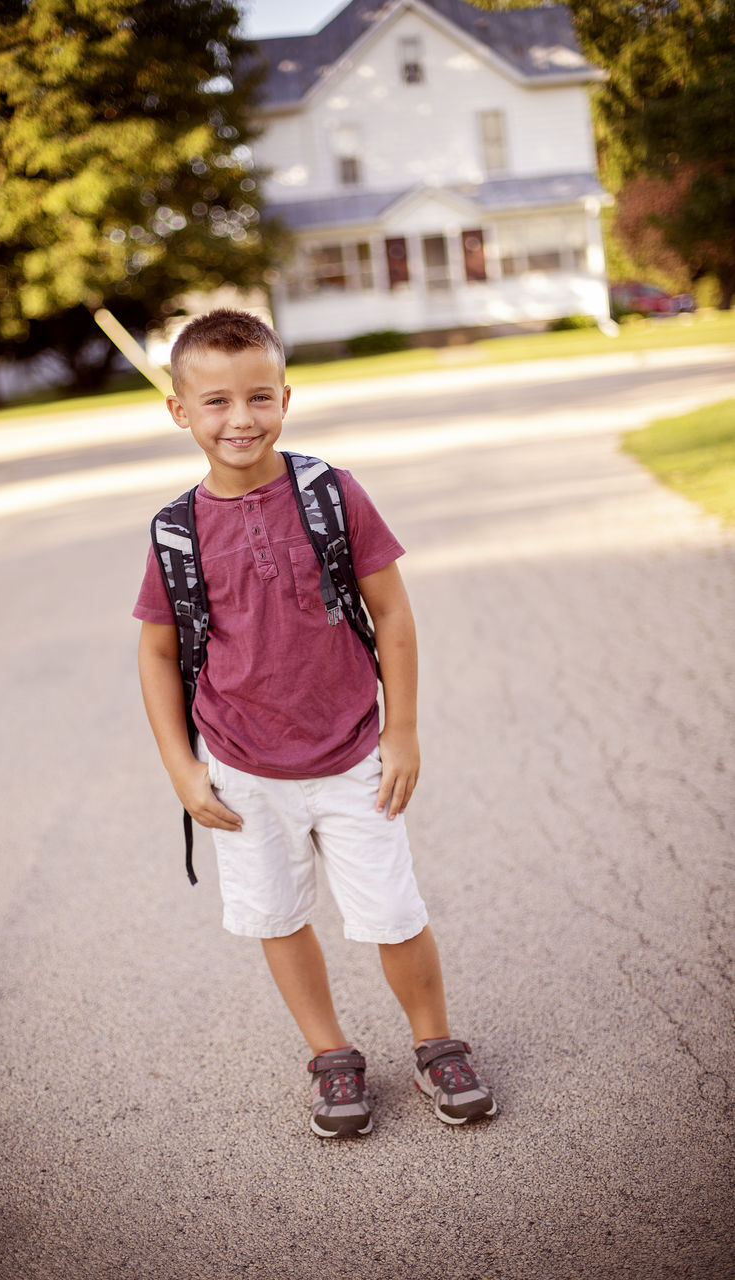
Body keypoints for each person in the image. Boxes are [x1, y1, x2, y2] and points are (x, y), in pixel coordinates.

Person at [133, 309, 496, 1138]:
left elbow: (392, 615)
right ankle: (330, 1056)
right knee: (276, 914)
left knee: (392, 912)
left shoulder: (330, 493)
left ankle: (435, 1042)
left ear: (285, 398)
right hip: (241, 772)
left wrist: (400, 731)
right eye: (216, 402)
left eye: (258, 397)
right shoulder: (174, 533)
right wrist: (180, 768)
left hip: (350, 755)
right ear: (180, 412)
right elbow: (156, 656)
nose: (240, 419)